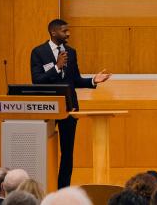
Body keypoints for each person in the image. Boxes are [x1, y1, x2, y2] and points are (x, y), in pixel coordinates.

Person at [30, 18, 111, 188]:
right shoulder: (38, 52)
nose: (68, 34)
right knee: (44, 151)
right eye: (64, 31)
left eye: (68, 31)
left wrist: (93, 81)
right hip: (47, 109)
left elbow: (75, 80)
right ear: (53, 32)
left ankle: (63, 189)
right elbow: (37, 81)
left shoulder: (71, 52)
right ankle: (42, 187)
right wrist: (57, 67)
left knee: (67, 153)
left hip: (69, 107)